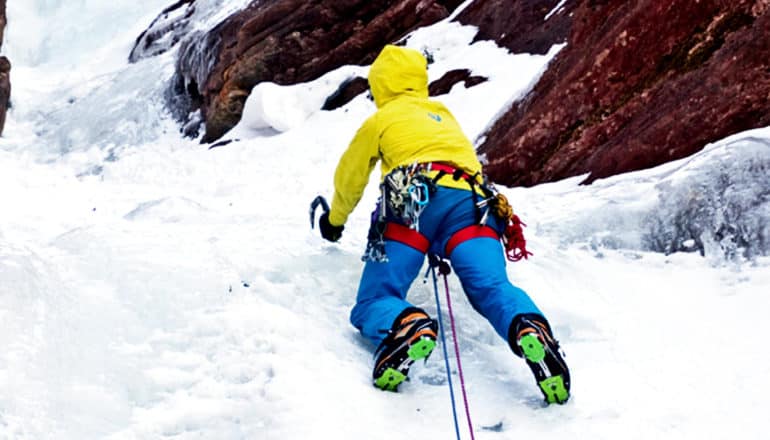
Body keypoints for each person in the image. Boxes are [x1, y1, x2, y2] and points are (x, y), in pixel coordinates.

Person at [318, 45, 569, 404]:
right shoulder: (443, 114)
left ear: (381, 85)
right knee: (493, 286)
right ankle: (531, 328)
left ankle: (406, 327)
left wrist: (334, 221)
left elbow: (350, 176)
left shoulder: (380, 120)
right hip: (473, 204)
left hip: (412, 204)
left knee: (376, 297)